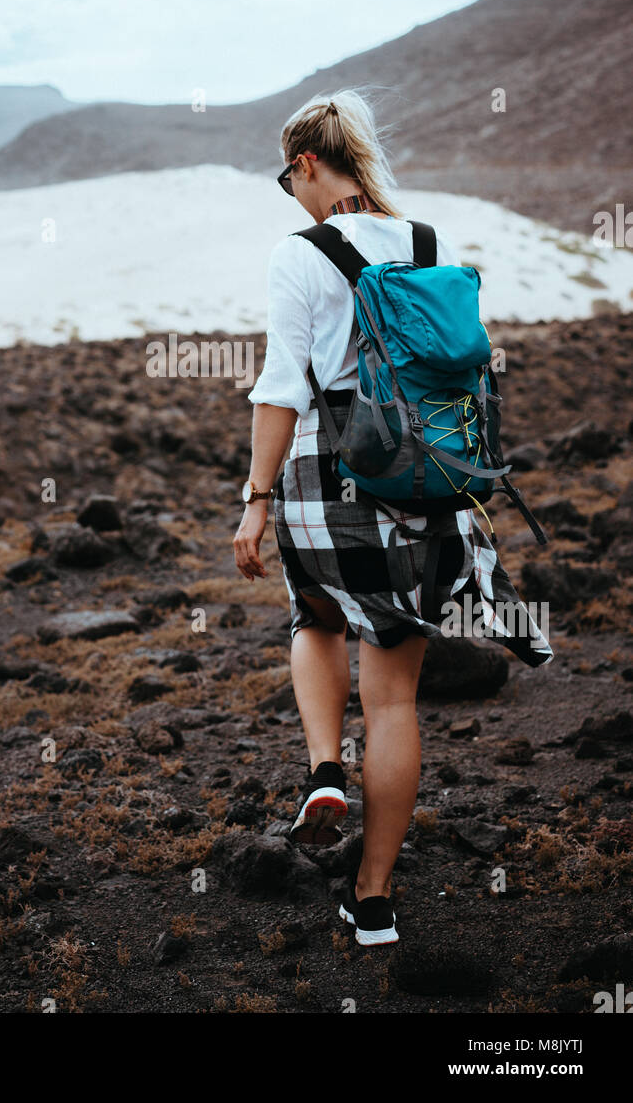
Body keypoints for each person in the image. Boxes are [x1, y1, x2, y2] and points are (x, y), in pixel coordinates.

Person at [233, 90, 552, 947]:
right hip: (429, 479)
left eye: (285, 177)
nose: (288, 194)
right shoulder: (428, 243)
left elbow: (280, 388)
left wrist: (255, 502)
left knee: (316, 615)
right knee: (398, 694)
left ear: (307, 163)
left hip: (327, 471)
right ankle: (374, 900)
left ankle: (324, 768)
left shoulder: (298, 253)